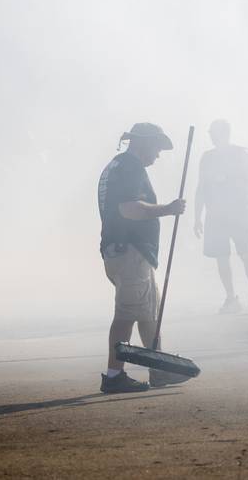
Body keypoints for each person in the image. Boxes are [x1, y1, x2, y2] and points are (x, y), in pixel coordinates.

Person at [97, 122, 187, 393]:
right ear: (142, 142)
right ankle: (114, 376)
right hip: (130, 252)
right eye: (156, 147)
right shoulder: (129, 168)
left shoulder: (119, 166)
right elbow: (129, 209)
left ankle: (158, 370)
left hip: (128, 251)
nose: (158, 154)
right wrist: (168, 209)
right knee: (127, 315)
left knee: (149, 313)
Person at [194, 119, 248, 313]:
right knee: (222, 257)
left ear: (223, 133)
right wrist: (197, 217)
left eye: (213, 132)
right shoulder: (207, 157)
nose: (210, 136)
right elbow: (201, 187)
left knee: (246, 254)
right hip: (215, 216)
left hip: (237, 213)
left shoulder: (240, 154)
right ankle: (231, 298)